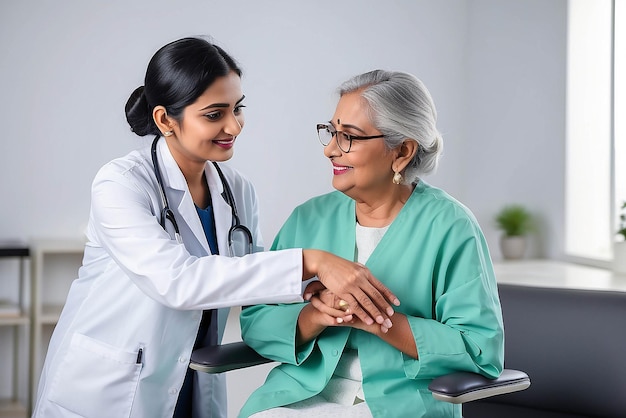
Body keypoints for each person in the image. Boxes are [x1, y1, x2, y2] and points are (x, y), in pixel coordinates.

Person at [31, 38, 400, 418]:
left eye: (238, 108)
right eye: (214, 114)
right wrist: (313, 262)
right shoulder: (121, 184)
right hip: (110, 387)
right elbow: (177, 281)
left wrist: (318, 291)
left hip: (190, 383)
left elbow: (245, 271)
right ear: (164, 120)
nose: (234, 125)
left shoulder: (236, 190)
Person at [239, 70, 505, 418]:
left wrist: (374, 317)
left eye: (349, 136)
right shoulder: (308, 218)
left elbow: (480, 350)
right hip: (297, 398)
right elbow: (256, 320)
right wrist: (319, 314)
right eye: (331, 132)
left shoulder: (451, 226)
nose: (331, 149)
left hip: (399, 405)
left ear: (402, 152)